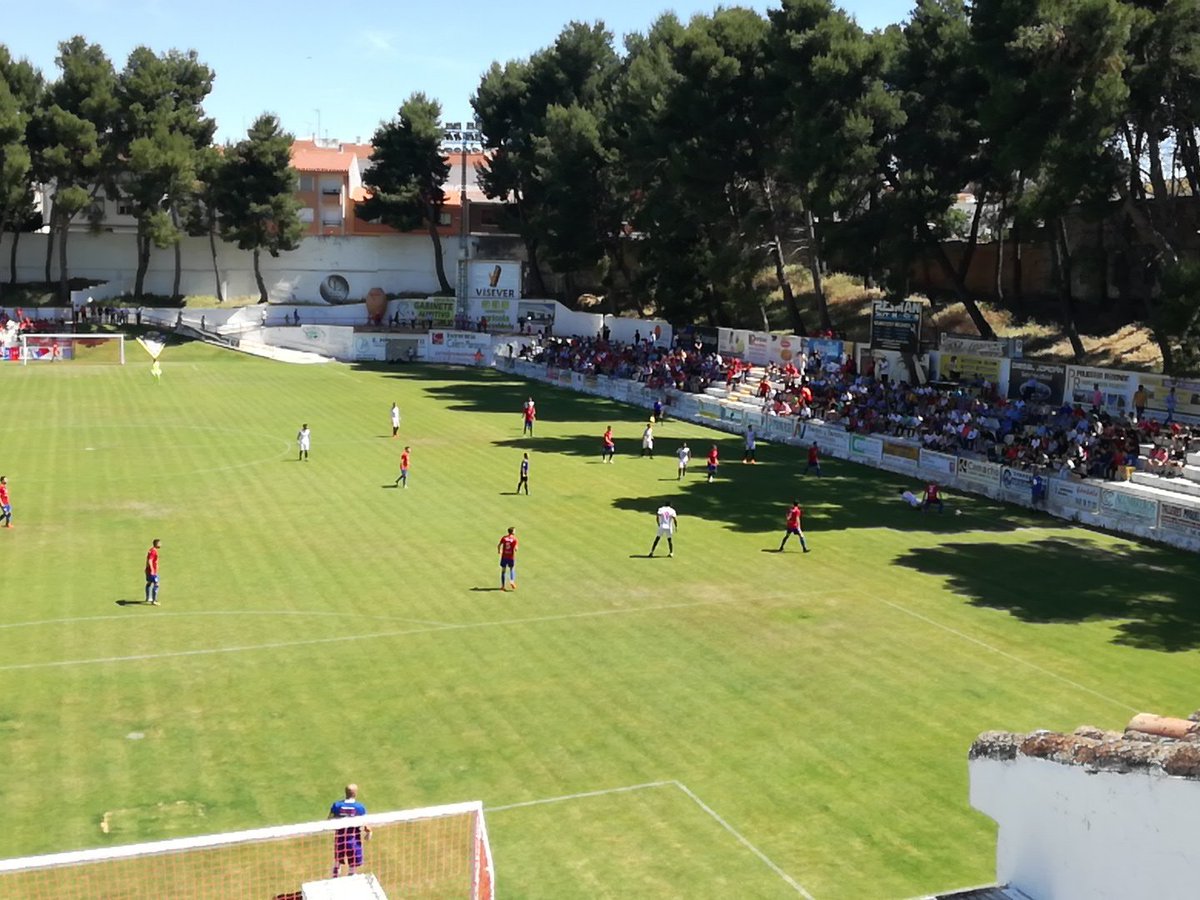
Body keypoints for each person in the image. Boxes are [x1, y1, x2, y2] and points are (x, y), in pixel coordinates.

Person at [328, 784, 371, 878]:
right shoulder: (360, 807)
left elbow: (329, 820)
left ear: (345, 792)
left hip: (339, 838)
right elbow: (366, 825)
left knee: (338, 860)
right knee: (353, 864)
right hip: (353, 839)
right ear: (355, 793)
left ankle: (334, 878)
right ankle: (351, 878)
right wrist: (368, 833)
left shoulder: (337, 805)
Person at [145, 538, 161, 605]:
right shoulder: (153, 551)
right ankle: (154, 601)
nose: (161, 544)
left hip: (148, 570)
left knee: (149, 583)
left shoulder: (151, 550)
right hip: (152, 571)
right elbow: (150, 560)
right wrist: (152, 570)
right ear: (157, 544)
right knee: (156, 584)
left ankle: (148, 598)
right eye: (160, 543)